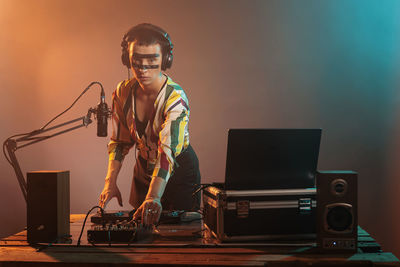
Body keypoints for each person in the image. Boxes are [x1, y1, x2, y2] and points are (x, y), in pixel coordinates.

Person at [98, 23, 201, 226]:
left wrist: (153, 197)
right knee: (140, 229)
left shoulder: (175, 98)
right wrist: (110, 183)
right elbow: (119, 142)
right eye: (137, 59)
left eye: (152, 59)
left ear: (165, 59)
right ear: (127, 59)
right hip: (144, 166)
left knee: (179, 234)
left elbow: (167, 153)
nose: (143, 68)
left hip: (177, 169)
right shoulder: (122, 92)